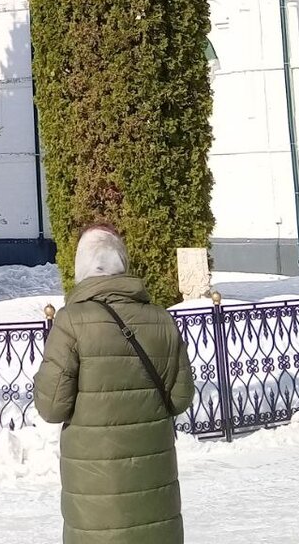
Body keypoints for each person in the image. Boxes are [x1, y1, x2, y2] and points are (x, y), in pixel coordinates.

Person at [34, 224, 194, 543]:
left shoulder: (71, 323)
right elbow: (180, 398)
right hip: (154, 485)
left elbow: (51, 407)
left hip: (96, 493)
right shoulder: (161, 319)